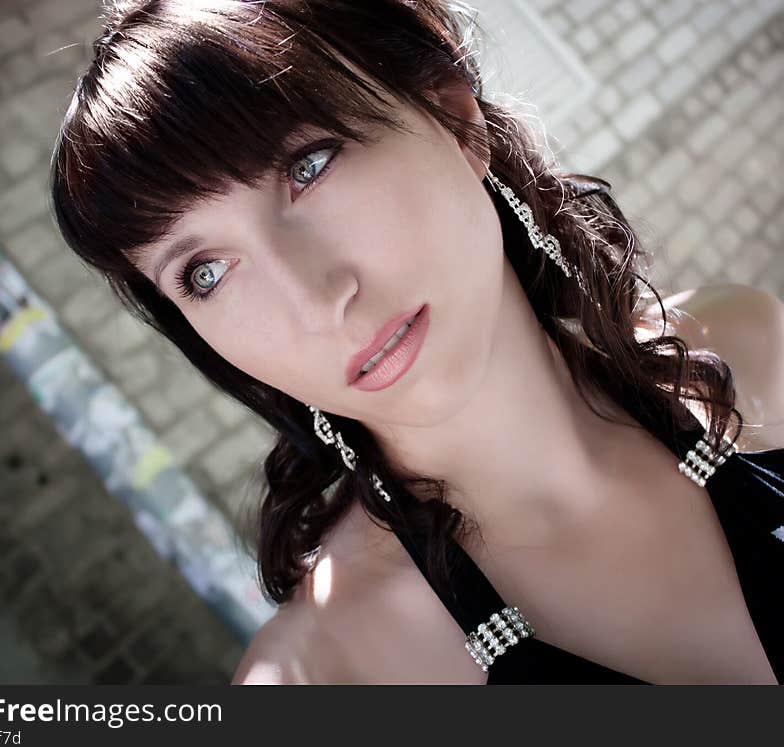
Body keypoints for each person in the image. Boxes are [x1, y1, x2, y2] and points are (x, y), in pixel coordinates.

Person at [49, 0, 784, 684]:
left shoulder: (748, 351)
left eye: (309, 166)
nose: (314, 300)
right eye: (205, 272)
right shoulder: (324, 678)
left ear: (455, 120)